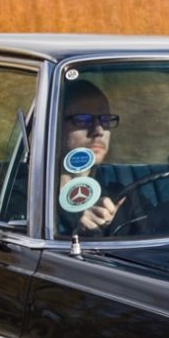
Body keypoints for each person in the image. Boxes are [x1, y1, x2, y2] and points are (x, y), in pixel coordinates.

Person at [57, 79, 125, 235]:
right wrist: (78, 233)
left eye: (106, 120)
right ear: (57, 126)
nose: (99, 130)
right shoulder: (30, 195)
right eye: (83, 120)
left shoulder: (121, 193)